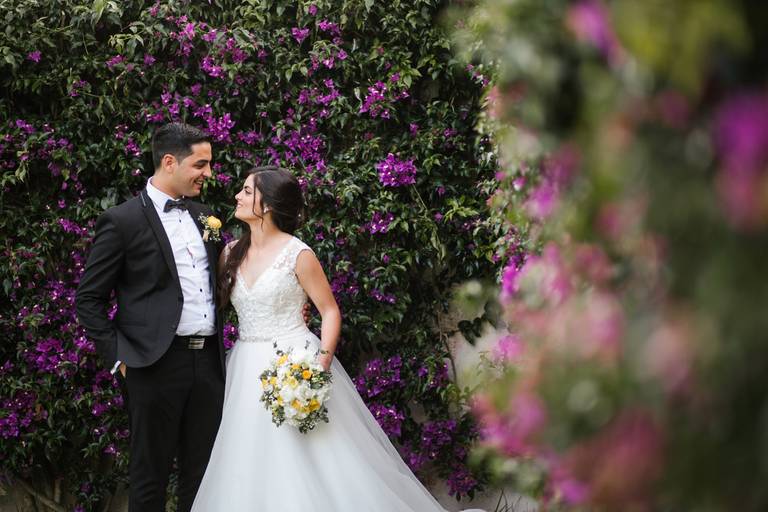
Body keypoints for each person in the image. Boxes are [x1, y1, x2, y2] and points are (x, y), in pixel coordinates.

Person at [191, 166, 484, 512]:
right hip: (245, 366)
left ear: (267, 204)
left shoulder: (298, 254)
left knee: (312, 455)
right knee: (248, 455)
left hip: (293, 362)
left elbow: (329, 311)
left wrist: (321, 363)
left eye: (246, 191)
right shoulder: (229, 253)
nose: (237, 197)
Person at [76, 123, 225, 512]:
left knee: (205, 474)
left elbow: (223, 281)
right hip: (152, 365)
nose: (209, 174)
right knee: (149, 477)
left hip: (208, 363)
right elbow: (88, 299)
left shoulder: (207, 218)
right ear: (170, 161)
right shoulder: (121, 221)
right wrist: (120, 360)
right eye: (201, 164)